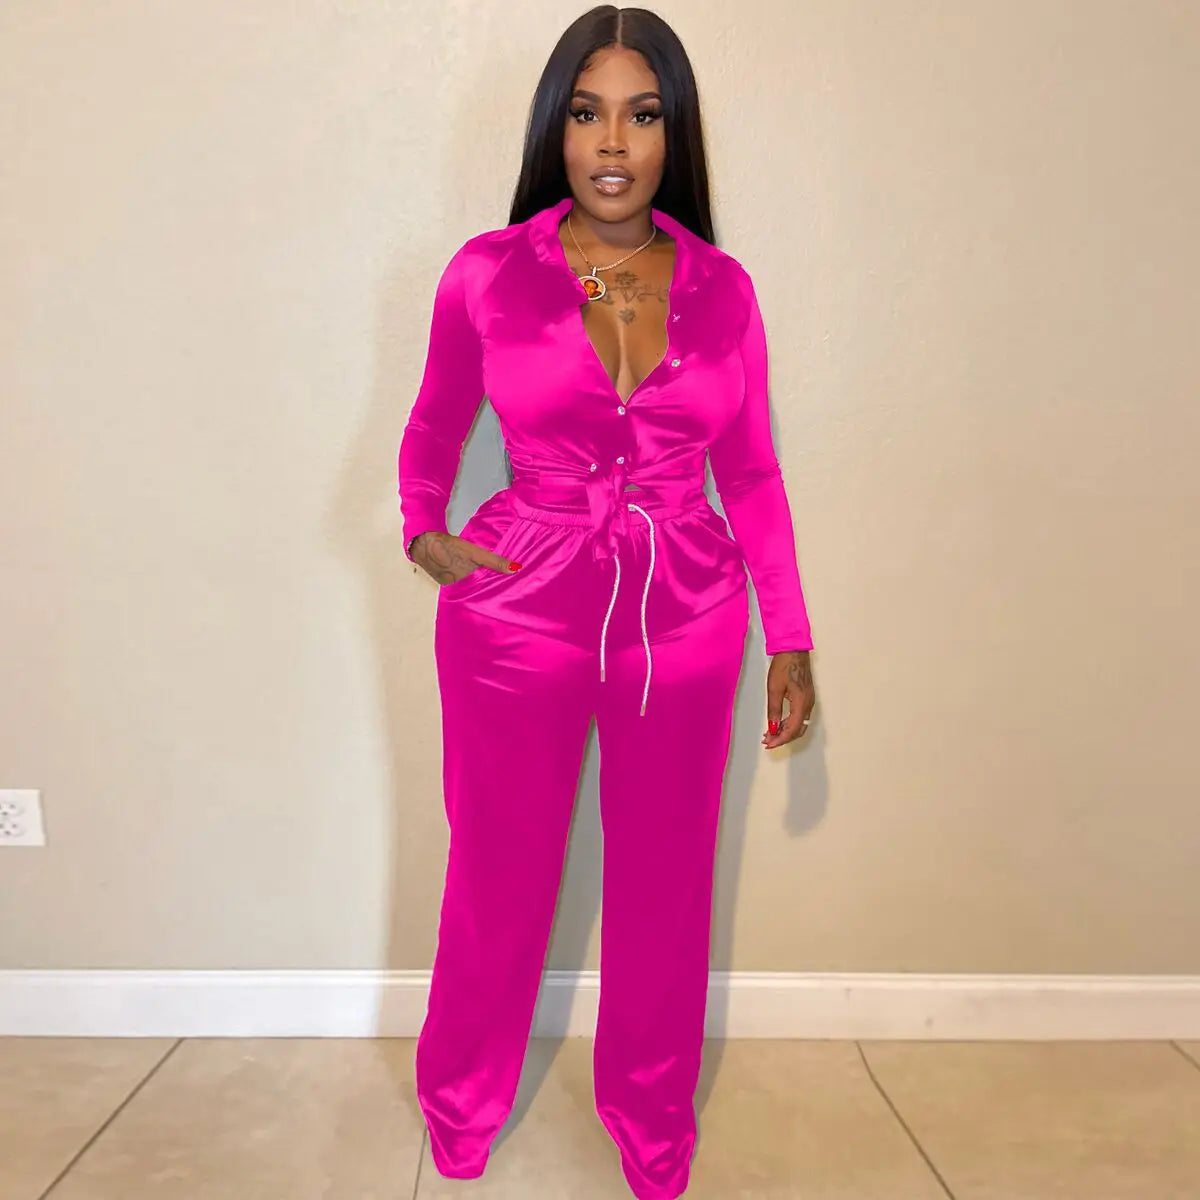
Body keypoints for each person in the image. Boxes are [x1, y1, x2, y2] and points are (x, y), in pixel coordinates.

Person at [396, 7, 816, 1198]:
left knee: (665, 886)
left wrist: (788, 635)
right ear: (556, 127)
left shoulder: (725, 289)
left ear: (676, 134)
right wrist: (427, 531)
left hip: (685, 615)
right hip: (516, 607)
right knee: (498, 869)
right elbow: (433, 425)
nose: (613, 142)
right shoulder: (487, 273)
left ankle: (650, 1112)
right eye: (587, 113)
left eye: (643, 114)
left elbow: (753, 475)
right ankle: (462, 1095)